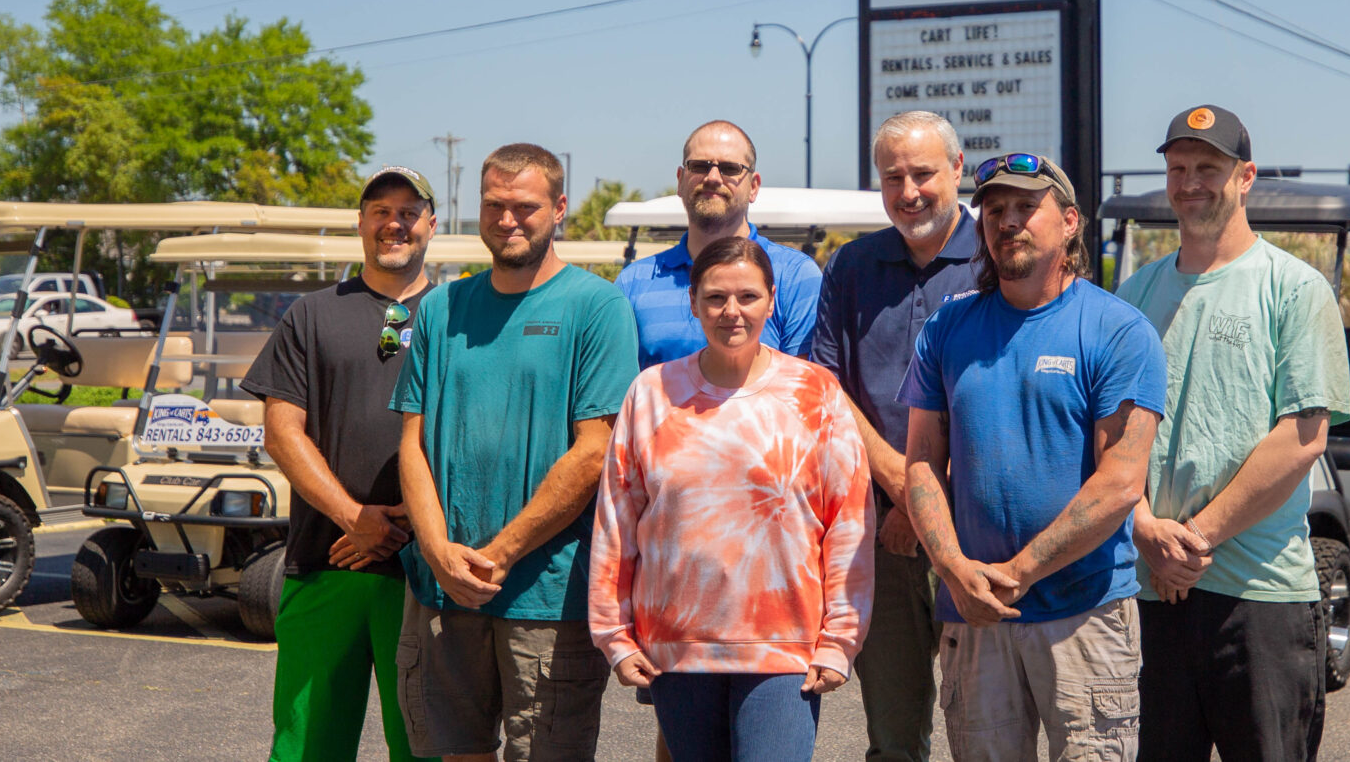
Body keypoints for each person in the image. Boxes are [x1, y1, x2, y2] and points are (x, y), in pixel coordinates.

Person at [898, 153, 1167, 762]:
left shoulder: (1117, 331)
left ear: (1070, 222)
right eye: (995, 210)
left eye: (1026, 207)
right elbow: (920, 462)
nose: (1008, 221)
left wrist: (1016, 574)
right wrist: (953, 570)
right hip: (974, 616)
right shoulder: (947, 327)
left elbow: (1121, 482)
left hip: (1086, 615)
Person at [1116, 106, 1350, 762]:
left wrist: (1192, 541)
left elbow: (1303, 437)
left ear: (1245, 177)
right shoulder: (1134, 294)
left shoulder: (1294, 289)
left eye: (1209, 169)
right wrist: (1143, 528)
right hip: (1147, 591)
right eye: (1178, 168)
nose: (1190, 182)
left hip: (1258, 597)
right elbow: (1108, 432)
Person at [394, 143, 640, 762]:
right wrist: (437, 551)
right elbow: (413, 446)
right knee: (455, 752)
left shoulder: (597, 306)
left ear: (558, 210)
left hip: (546, 596)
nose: (507, 220)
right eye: (493, 206)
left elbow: (594, 450)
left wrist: (498, 554)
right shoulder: (441, 308)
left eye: (524, 207)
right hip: (442, 588)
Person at [590, 233, 873, 762]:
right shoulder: (651, 392)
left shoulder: (815, 393)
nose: (731, 312)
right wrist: (614, 634)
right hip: (677, 649)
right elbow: (617, 521)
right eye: (716, 297)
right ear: (693, 302)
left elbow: (849, 523)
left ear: (771, 300)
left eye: (747, 296)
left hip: (784, 648)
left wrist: (841, 639)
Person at [244, 166, 434, 762]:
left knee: (429, 745)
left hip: (428, 572)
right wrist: (355, 517)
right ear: (360, 223)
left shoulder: (459, 315)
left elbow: (480, 435)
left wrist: (404, 523)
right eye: (380, 210)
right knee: (308, 746)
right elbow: (281, 432)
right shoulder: (312, 314)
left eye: (408, 211)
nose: (393, 223)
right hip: (328, 561)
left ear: (431, 223)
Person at [807, 110, 979, 762]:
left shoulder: (997, 261)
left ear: (957, 169)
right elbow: (827, 389)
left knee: (985, 728)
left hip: (976, 530)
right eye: (892, 176)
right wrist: (905, 490)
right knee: (895, 738)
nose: (908, 191)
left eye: (923, 173)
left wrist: (929, 500)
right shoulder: (850, 266)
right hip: (881, 534)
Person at [616, 120, 823, 368]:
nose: (713, 178)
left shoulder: (795, 277)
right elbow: (624, 394)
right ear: (680, 181)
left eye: (729, 168)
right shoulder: (633, 284)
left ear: (754, 187)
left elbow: (803, 388)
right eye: (700, 166)